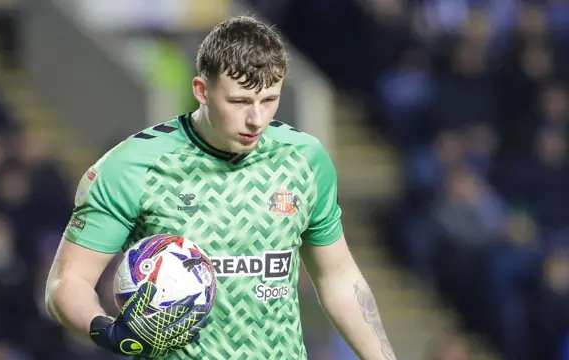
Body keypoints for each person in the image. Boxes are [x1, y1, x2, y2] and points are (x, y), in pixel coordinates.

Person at [45, 15, 397, 360]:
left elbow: (337, 278)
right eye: (239, 101)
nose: (257, 119)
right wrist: (107, 331)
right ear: (201, 90)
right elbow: (68, 281)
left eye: (269, 99)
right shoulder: (133, 167)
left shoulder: (304, 160)